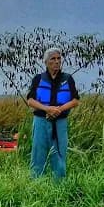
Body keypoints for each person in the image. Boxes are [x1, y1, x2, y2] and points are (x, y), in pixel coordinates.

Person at [26, 48, 80, 180]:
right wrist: (47, 109)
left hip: (60, 122)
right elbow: (30, 100)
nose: (57, 62)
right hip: (41, 121)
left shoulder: (68, 79)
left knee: (60, 153)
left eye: (59, 59)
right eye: (53, 59)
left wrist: (58, 110)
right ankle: (36, 183)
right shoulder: (38, 79)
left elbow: (75, 100)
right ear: (46, 62)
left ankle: (59, 184)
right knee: (38, 153)